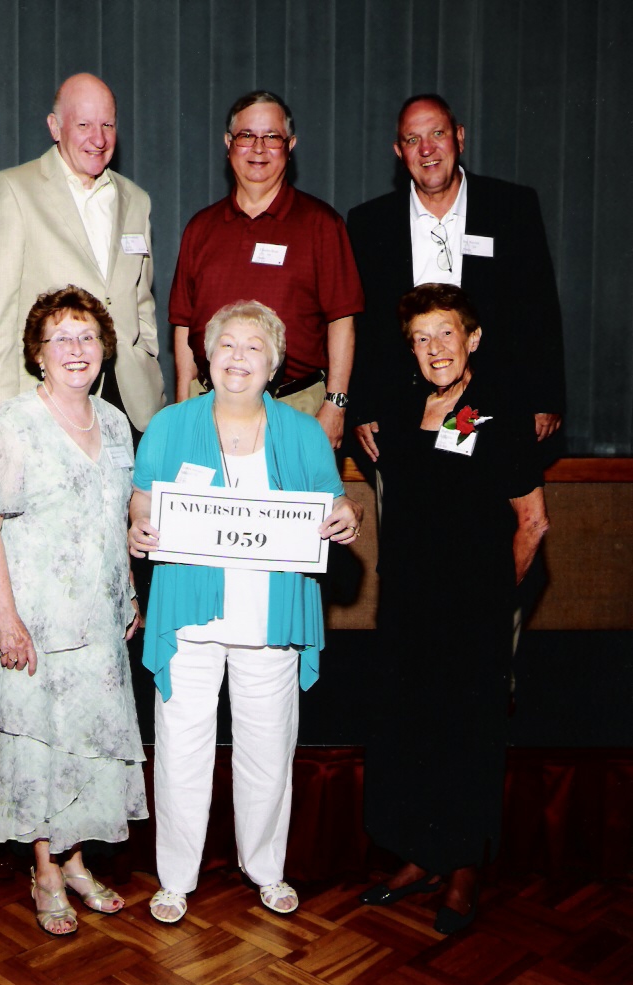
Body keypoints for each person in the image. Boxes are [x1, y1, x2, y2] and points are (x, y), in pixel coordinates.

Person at [129, 300, 363, 923]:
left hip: (271, 618)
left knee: (267, 751)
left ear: (276, 363)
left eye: (253, 347)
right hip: (191, 617)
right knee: (181, 750)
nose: (238, 357)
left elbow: (336, 505)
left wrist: (347, 518)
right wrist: (138, 529)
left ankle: (267, 869)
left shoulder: (303, 432)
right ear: (207, 357)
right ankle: (175, 878)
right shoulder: (169, 426)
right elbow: (141, 504)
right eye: (227, 344)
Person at [360, 283, 549, 934]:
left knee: (469, 734)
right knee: (415, 728)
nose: (434, 348)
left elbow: (532, 520)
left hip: (473, 611)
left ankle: (465, 869)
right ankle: (423, 854)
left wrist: (496, 594)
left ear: (472, 339)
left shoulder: (496, 408)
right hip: (410, 605)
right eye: (421, 337)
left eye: (446, 334)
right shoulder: (405, 403)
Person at [0, 285, 146, 936]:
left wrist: (128, 592)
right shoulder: (11, 425)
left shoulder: (118, 424)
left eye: (87, 337)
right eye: (60, 338)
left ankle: (74, 860)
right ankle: (43, 870)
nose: (75, 349)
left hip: (97, 621)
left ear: (104, 351)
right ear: (38, 354)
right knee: (40, 750)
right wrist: (6, 618)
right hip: (33, 622)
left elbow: (117, 518)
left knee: (88, 747)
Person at [347, 93, 565, 468]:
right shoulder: (370, 223)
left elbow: (539, 307)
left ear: (459, 138)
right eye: (413, 140)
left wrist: (545, 398)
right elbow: (359, 325)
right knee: (412, 521)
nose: (426, 149)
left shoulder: (511, 208)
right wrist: (361, 405)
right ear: (399, 151)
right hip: (400, 411)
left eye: (438, 134)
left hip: (498, 402)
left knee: (489, 521)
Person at [170, 91, 364, 449]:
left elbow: (342, 320)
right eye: (246, 136)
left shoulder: (322, 224)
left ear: (290, 145)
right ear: (229, 143)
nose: (258, 148)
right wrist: (184, 403)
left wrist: (336, 406)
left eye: (271, 137)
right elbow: (184, 323)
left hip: (296, 406)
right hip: (208, 407)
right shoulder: (200, 228)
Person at [0, 72, 165, 434]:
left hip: (129, 400)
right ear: (55, 127)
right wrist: (4, 423)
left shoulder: (136, 200)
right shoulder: (14, 190)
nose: (98, 138)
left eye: (107, 124)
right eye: (84, 124)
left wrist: (146, 357)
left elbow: (142, 300)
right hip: (44, 406)